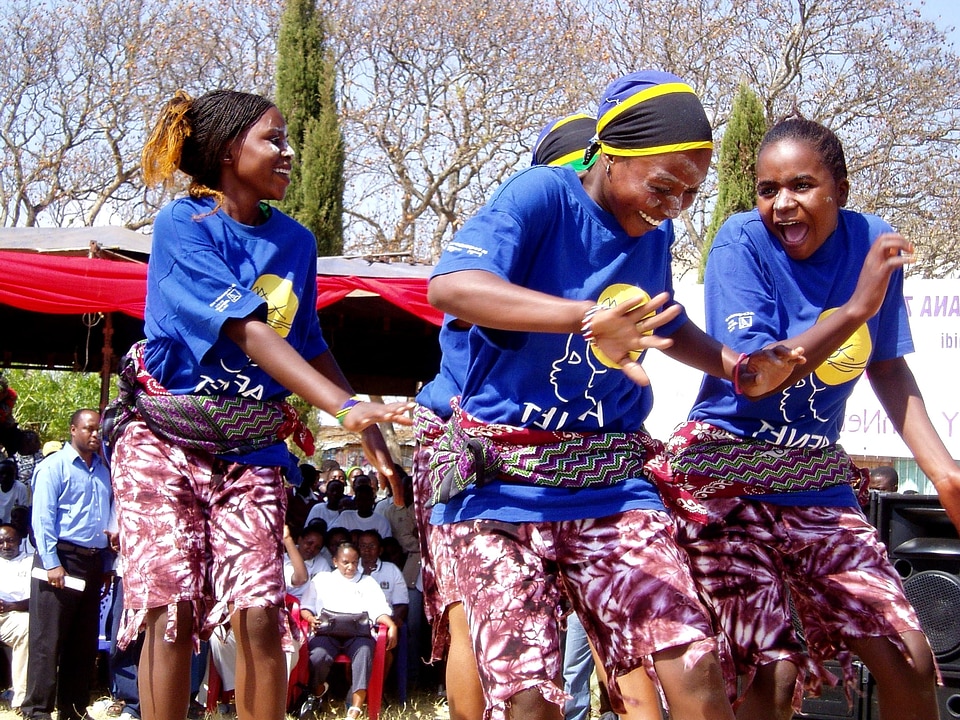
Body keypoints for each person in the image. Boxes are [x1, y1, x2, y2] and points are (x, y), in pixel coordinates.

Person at [426, 70, 803, 720]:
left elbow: (664, 319)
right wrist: (583, 317)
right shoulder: (543, 195)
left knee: (691, 662)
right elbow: (452, 285)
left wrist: (737, 365)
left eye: (689, 193)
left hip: (609, 483)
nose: (674, 205)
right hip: (502, 490)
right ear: (610, 151)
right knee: (526, 702)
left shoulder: (654, 233)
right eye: (663, 186)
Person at [105, 89, 412, 720]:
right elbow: (247, 329)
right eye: (273, 139)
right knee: (173, 610)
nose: (290, 152)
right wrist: (341, 408)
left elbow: (307, 341)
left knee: (260, 610)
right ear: (224, 152)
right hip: (167, 442)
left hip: (253, 447)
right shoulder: (182, 227)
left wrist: (362, 418)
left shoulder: (295, 242)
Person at [659, 117, 956, 720]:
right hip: (722, 477)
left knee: (911, 659)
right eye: (768, 190)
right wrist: (854, 309)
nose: (782, 204)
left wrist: (947, 476)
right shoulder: (739, 243)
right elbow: (757, 376)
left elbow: (888, 368)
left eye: (801, 185)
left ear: (839, 189)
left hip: (813, 478)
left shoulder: (872, 242)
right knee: (771, 673)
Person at [21, 408, 112, 720]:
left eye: (98, 429)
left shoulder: (103, 469)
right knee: (47, 640)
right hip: (60, 559)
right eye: (88, 428)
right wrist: (51, 563)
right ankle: (37, 709)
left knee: (83, 641)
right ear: (73, 430)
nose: (95, 434)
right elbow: (42, 518)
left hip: (92, 562)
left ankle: (73, 708)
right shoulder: (54, 467)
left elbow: (109, 521)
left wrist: (108, 566)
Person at [298, 542, 398, 720]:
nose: (351, 567)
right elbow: (306, 607)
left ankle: (355, 709)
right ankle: (319, 691)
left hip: (358, 634)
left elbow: (379, 610)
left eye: (354, 562)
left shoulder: (368, 582)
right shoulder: (322, 580)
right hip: (327, 632)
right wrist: (310, 619)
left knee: (365, 653)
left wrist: (391, 625)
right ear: (335, 561)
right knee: (317, 656)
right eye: (345, 562)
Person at [0, 523, 32, 715]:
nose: (5, 546)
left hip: (16, 616)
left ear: (20, 541)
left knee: (27, 627)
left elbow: (38, 599)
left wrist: (14, 606)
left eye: (10, 541)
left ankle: (21, 698)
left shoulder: (30, 561)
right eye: (1, 542)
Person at [0, 459, 28, 524]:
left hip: (15, 525)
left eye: (8, 473)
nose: (4, 476)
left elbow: (24, 511)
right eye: (2, 473)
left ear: (14, 474)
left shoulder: (20, 488)